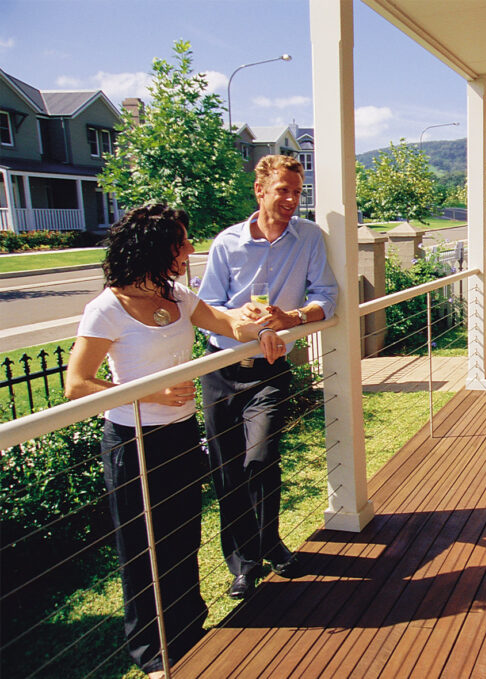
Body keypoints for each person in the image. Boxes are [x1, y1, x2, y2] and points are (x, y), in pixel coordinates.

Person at [66, 204, 286, 679]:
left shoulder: (178, 297)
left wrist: (263, 327)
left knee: (183, 535)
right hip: (133, 442)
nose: (190, 248)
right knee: (144, 546)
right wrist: (153, 393)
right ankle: (152, 652)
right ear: (155, 247)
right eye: (182, 241)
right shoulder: (108, 308)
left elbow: (230, 326)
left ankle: (188, 633)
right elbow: (77, 384)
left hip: (182, 435)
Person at [198, 154, 338, 599]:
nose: (293, 199)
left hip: (271, 371)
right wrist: (244, 321)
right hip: (221, 369)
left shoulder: (309, 238)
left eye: (298, 191)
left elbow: (327, 296)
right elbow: (206, 310)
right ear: (260, 191)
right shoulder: (227, 243)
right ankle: (245, 562)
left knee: (260, 456)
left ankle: (269, 541)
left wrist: (291, 317)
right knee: (227, 470)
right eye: (284, 190)